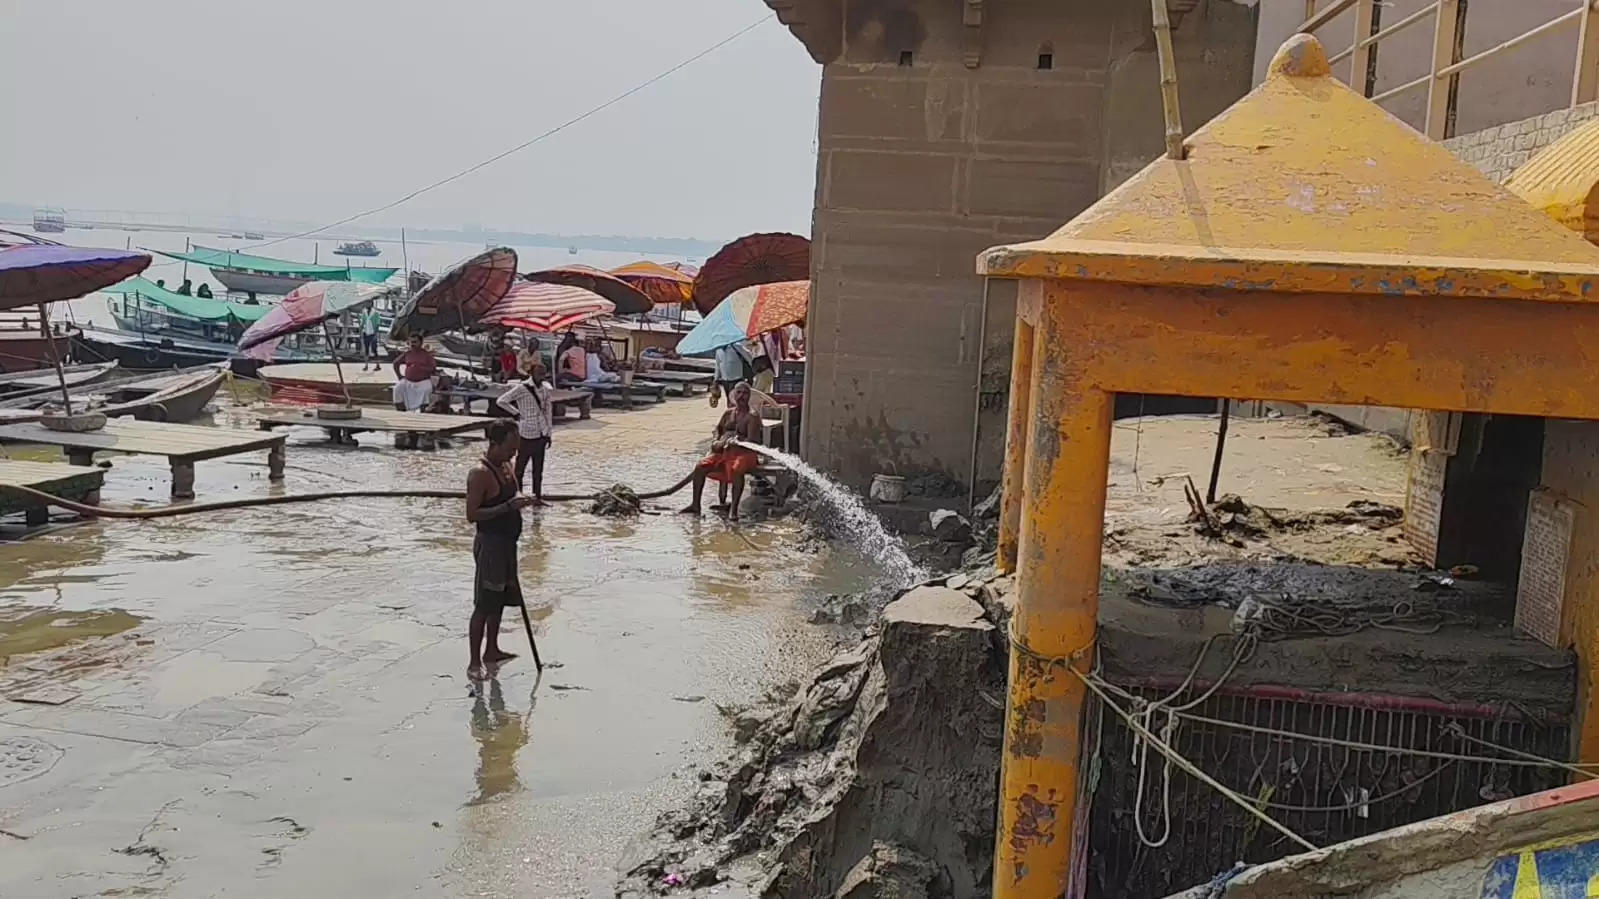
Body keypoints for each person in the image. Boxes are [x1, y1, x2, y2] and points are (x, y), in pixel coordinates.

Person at [464, 419, 534, 680]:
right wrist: (507, 508)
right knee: (484, 603)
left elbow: (511, 497)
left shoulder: (507, 466)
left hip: (508, 544)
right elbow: (472, 515)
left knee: (500, 599)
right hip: (490, 545)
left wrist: (523, 501)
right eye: (510, 447)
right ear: (494, 444)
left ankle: (491, 649)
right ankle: (473, 662)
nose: (514, 452)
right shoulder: (479, 473)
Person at [681, 382, 764, 521]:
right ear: (734, 395)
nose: (741, 396)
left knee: (737, 469)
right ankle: (695, 505)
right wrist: (716, 441)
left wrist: (737, 442)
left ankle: (734, 509)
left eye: (745, 393)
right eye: (739, 393)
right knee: (700, 466)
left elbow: (753, 443)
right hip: (724, 451)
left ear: (749, 396)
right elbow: (717, 430)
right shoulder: (728, 413)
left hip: (745, 453)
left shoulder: (752, 416)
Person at [497, 358, 554, 500]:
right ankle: (517, 495)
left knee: (538, 470)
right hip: (526, 433)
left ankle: (537, 497)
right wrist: (516, 413)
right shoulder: (522, 388)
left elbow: (548, 412)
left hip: (541, 432)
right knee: (520, 468)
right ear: (532, 373)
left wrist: (549, 433)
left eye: (543, 374)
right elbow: (502, 401)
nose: (541, 376)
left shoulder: (546, 390)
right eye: (539, 373)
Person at [391, 333, 438, 412]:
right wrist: (399, 376)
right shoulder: (407, 353)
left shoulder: (426, 355)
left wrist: (421, 368)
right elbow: (395, 363)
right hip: (408, 380)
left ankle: (423, 412)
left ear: (420, 343)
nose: (413, 344)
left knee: (426, 390)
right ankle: (401, 412)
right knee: (397, 388)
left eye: (415, 342)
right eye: (411, 342)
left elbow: (433, 368)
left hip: (423, 381)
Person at [712, 341, 751, 407]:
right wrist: (716, 379)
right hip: (725, 380)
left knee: (735, 400)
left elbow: (749, 357)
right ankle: (731, 415)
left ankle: (737, 414)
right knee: (729, 399)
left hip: (736, 379)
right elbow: (718, 365)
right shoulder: (718, 350)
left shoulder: (736, 347)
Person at [360, 305, 382, 370]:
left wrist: (375, 333)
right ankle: (366, 365)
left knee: (374, 350)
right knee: (366, 349)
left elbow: (378, 324)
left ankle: (378, 365)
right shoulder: (364, 313)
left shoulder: (376, 313)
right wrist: (360, 330)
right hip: (366, 332)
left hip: (373, 333)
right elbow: (362, 323)